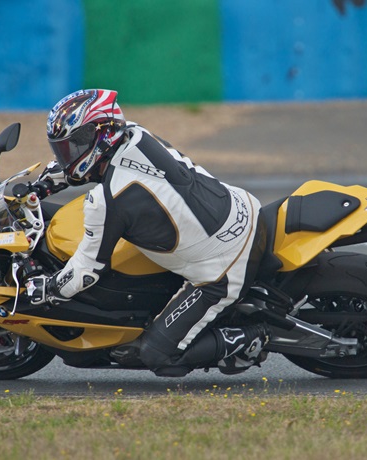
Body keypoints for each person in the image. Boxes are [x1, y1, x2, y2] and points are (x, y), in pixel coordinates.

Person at [27, 89, 270, 376]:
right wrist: (42, 184)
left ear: (101, 133)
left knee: (159, 355)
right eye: (63, 148)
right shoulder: (136, 135)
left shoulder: (107, 201)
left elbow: (86, 272)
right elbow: (77, 168)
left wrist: (48, 289)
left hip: (223, 267)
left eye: (74, 145)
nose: (68, 155)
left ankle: (254, 336)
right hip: (242, 207)